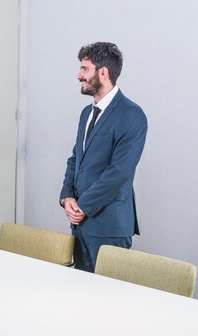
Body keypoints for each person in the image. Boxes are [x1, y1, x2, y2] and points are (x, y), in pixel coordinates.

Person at [60, 42, 148, 272]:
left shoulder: (132, 115)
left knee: (109, 302)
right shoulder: (86, 113)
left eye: (84, 69)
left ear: (103, 72)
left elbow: (119, 172)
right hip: (80, 226)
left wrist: (82, 207)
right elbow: (75, 159)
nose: (78, 75)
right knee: (82, 297)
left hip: (109, 226)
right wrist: (67, 195)